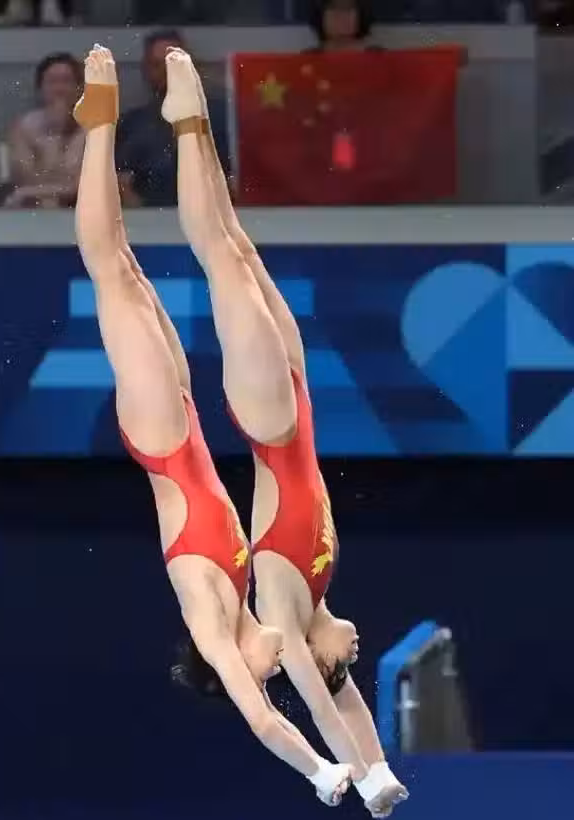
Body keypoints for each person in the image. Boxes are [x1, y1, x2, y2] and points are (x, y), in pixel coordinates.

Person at [72, 43, 353, 806]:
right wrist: (363, 769)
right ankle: (161, 124)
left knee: (113, 273)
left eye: (266, 677)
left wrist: (323, 774)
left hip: (163, 446)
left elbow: (260, 719)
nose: (275, 673)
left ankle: (100, 125)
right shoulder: (248, 596)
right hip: (185, 428)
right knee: (137, 274)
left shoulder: (212, 622)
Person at [163, 48, 409, 817]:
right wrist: (381, 769)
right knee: (236, 244)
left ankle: (184, 125)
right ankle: (196, 126)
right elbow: (355, 705)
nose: (356, 656)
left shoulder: (283, 610)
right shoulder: (321, 593)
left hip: (270, 421)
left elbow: (323, 700)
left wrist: (356, 780)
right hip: (297, 405)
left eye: (346, 665)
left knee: (219, 260)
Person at [115, 30, 229, 207]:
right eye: (158, 65)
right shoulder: (131, 124)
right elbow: (120, 179)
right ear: (146, 71)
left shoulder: (221, 118)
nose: (167, 72)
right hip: (150, 216)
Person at [4, 52, 84, 208]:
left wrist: (63, 131)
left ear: (79, 88)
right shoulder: (23, 127)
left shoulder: (94, 128)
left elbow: (81, 186)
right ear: (40, 89)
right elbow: (24, 179)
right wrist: (54, 133)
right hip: (34, 207)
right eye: (52, 82)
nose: (59, 89)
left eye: (67, 81)